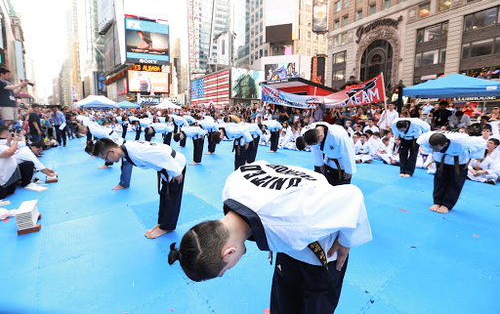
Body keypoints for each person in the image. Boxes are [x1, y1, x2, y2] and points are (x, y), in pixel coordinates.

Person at [168, 161, 372, 314]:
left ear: (228, 252)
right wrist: (273, 234)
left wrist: (347, 241)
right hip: (288, 240)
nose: (231, 266)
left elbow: (352, 196)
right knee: (282, 300)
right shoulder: (232, 183)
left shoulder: (294, 223)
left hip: (323, 254)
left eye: (226, 268)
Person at [90, 138, 186, 238]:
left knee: (172, 196)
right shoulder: (124, 150)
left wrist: (177, 172)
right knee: (164, 194)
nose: (107, 161)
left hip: (175, 164)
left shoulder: (136, 152)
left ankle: (167, 227)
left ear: (112, 151)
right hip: (165, 167)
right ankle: (161, 222)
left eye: (105, 158)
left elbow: (164, 155)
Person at [417, 132, 486, 214]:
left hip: (459, 161)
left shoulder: (461, 143)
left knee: (455, 182)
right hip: (441, 160)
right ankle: (437, 202)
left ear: (445, 144)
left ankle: (447, 204)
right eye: (431, 147)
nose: (432, 150)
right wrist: (431, 150)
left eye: (435, 148)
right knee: (439, 180)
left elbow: (481, 143)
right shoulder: (424, 139)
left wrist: (472, 157)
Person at [299, 122, 356, 186]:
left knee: (341, 187)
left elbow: (347, 152)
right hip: (327, 160)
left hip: (341, 163)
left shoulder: (338, 135)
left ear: (320, 136)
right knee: (325, 184)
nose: (316, 145)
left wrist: (349, 171)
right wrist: (320, 165)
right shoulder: (311, 131)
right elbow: (315, 150)